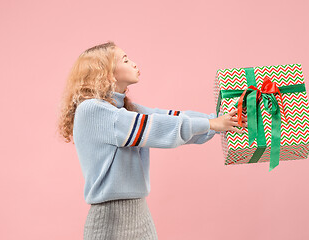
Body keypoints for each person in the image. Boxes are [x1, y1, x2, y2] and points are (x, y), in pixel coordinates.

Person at [57, 41, 247, 240]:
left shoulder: (124, 109)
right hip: (110, 221)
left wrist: (222, 119)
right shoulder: (93, 110)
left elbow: (171, 117)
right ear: (106, 72)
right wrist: (212, 124)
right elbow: (154, 127)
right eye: (125, 60)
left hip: (140, 214)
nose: (134, 64)